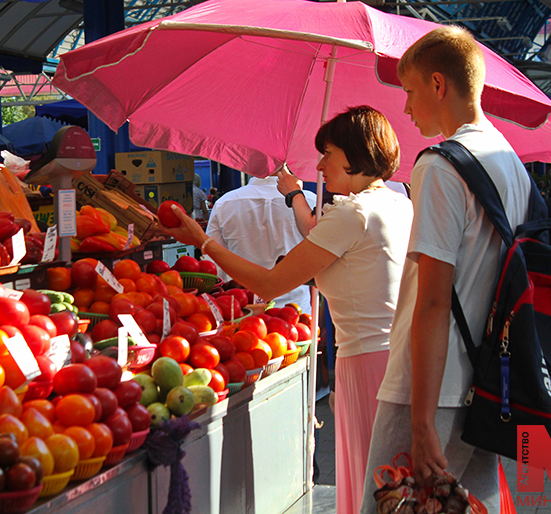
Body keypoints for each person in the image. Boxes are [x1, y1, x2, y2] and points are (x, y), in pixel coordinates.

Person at [159, 106, 412, 514]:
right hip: (393, 356)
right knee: (391, 483)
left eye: (327, 152)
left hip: (367, 362)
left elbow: (270, 284)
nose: (320, 164)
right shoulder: (396, 203)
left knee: (374, 485)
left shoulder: (354, 212)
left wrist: (201, 240)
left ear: (353, 153)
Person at [362, 26, 531, 514]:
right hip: (489, 382)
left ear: (439, 85)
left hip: (434, 387)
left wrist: (420, 423)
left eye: (410, 92)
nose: (408, 108)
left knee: (389, 506)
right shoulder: (508, 160)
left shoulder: (439, 166)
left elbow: (434, 301)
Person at [205, 175, 317, 314]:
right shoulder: (309, 201)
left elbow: (214, 269)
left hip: (243, 310)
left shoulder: (225, 203)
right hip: (297, 312)